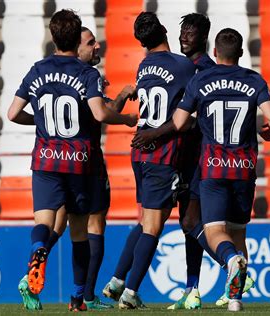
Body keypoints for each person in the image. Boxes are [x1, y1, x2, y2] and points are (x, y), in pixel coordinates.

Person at [8, 9, 137, 312]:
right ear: (76, 39)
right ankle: (79, 298)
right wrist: (128, 118)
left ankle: (39, 250)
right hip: (79, 161)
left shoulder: (38, 69)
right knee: (80, 232)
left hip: (45, 160)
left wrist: (40, 122)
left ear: (52, 36)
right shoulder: (86, 74)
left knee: (44, 222)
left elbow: (12, 113)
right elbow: (101, 114)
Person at [131, 14, 255, 309]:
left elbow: (185, 120)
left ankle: (229, 272)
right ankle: (194, 288)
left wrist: (152, 133)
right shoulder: (183, 67)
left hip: (203, 160)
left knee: (194, 222)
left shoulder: (204, 72)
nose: (185, 36)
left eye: (192, 32)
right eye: (183, 31)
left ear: (206, 40)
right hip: (188, 160)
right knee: (191, 223)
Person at [171, 28, 270, 312]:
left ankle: (230, 261)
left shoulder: (201, 79)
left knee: (215, 232)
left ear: (215, 53)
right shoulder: (254, 80)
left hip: (214, 168)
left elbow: (180, 121)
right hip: (244, 168)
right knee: (238, 233)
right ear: (241, 54)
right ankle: (235, 298)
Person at [102, 12, 196, 309]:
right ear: (165, 30)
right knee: (153, 226)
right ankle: (130, 292)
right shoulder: (183, 65)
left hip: (139, 151)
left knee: (144, 221)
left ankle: (117, 280)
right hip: (161, 152)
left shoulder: (144, 66)